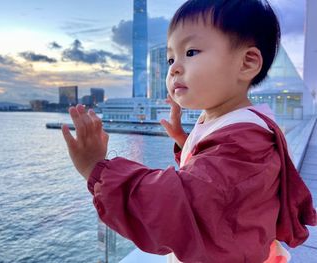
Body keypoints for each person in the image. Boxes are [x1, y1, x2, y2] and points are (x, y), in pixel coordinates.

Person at [62, 0, 316, 262]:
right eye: (171, 58)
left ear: (247, 63)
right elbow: (219, 179)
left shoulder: (246, 142)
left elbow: (178, 205)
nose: (173, 67)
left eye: (191, 52)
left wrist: (97, 169)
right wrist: (186, 142)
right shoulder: (235, 123)